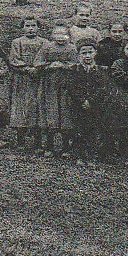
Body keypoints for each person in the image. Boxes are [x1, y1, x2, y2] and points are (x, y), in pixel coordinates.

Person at [36, 23, 78, 158]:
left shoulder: (72, 48)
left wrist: (64, 65)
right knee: (50, 113)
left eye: (64, 34)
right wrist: (49, 65)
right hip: (50, 86)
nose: (61, 37)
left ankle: (65, 147)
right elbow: (37, 62)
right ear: (52, 35)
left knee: (65, 113)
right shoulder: (47, 47)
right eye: (57, 34)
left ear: (69, 36)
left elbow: (76, 64)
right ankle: (49, 146)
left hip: (66, 86)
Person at [66, 39, 109, 163]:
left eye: (90, 52)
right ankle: (80, 154)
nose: (87, 56)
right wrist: (82, 101)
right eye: (84, 53)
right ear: (79, 54)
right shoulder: (74, 70)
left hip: (96, 105)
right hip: (79, 105)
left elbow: (103, 88)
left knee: (95, 128)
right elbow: (72, 87)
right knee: (80, 129)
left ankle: (93, 154)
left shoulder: (101, 70)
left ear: (95, 53)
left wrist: (91, 101)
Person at [8, 17, 46, 154]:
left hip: (38, 79)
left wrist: (37, 68)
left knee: (36, 106)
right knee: (20, 107)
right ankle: (20, 139)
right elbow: (13, 59)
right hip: (22, 79)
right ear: (22, 27)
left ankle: (37, 140)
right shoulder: (17, 42)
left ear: (38, 27)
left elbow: (45, 58)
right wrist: (25, 68)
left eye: (33, 25)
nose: (31, 28)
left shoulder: (44, 42)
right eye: (27, 25)